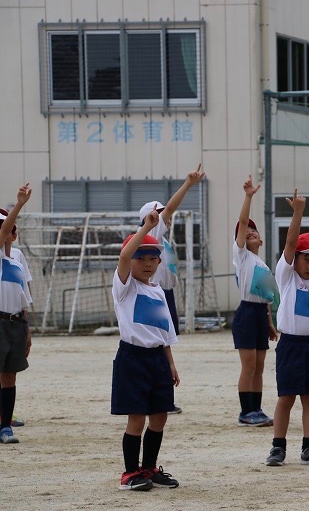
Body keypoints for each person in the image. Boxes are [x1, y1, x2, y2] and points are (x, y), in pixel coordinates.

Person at [111, 210, 180, 491]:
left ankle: (149, 468)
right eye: (142, 258)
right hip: (132, 358)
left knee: (160, 415)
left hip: (157, 360)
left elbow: (164, 333)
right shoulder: (124, 288)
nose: (148, 264)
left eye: (153, 258)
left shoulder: (158, 291)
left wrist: (171, 364)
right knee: (137, 417)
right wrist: (148, 228)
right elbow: (124, 257)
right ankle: (130, 473)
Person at [266, 189, 309, 467]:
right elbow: (291, 243)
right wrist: (298, 213)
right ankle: (278, 447)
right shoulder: (287, 276)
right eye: (307, 258)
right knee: (286, 398)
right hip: (291, 344)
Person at [138, 163, 204, 415]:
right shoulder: (149, 234)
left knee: (164, 342)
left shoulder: (161, 239)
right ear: (148, 218)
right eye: (159, 213)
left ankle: (163, 394)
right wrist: (188, 183)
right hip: (154, 295)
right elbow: (172, 207)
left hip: (164, 294)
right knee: (157, 343)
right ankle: (158, 395)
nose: (166, 215)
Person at [231, 175, 278, 427]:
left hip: (260, 314)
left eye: (253, 230)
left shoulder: (262, 264)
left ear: (260, 239)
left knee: (259, 367)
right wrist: (249, 195)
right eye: (244, 231)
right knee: (248, 366)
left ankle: (257, 409)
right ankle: (245, 412)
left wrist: (270, 321)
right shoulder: (242, 258)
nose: (249, 231)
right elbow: (241, 221)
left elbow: (268, 297)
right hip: (246, 313)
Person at [0, 184, 33, 445]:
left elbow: (24, 298)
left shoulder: (15, 262)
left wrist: (27, 328)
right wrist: (19, 204)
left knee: (9, 376)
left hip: (15, 322)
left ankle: (5, 426)